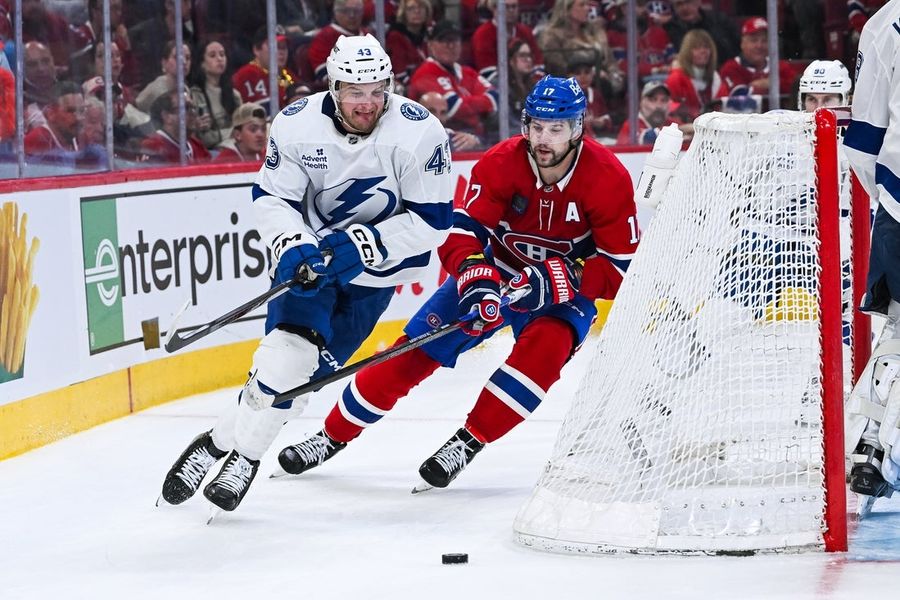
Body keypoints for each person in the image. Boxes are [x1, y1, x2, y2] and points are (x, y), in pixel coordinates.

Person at [274, 76, 639, 491]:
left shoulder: (608, 178)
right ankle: (331, 435)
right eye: (536, 126)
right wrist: (475, 275)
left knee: (543, 353)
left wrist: (564, 277)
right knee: (411, 352)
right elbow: (461, 230)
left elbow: (620, 269)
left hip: (563, 293)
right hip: (498, 270)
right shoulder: (503, 162)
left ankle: (468, 441)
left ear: (577, 128)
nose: (543, 138)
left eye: (556, 129)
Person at [159, 34, 452, 513]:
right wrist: (293, 245)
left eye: (377, 90)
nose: (368, 102)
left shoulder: (419, 132)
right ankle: (245, 460)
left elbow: (433, 221)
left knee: (296, 388)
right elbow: (274, 198)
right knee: (285, 359)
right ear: (333, 87)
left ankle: (214, 442)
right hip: (312, 266)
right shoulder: (296, 125)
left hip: (374, 280)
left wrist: (366, 244)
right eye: (355, 91)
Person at [842, 0, 900, 509]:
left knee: (899, 330)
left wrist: (884, 196)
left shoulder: (886, 23)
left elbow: (863, 143)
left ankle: (870, 449)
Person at [407, 20, 498, 138]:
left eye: (454, 40)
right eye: (443, 40)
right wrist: (483, 105)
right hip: (444, 140)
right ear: (430, 45)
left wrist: (468, 105)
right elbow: (454, 107)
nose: (450, 45)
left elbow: (495, 97)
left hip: (475, 137)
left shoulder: (467, 72)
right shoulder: (425, 73)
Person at [717, 17, 796, 101]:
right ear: (742, 44)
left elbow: (797, 87)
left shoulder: (779, 66)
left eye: (764, 41)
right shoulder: (731, 68)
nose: (759, 46)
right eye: (754, 40)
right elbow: (739, 99)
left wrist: (772, 84)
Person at [472, 0, 544, 81]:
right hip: (498, 87)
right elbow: (488, 73)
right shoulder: (483, 35)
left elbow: (538, 62)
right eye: (506, 7)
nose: (511, 11)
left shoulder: (525, 31)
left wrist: (535, 83)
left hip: (528, 83)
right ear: (494, 9)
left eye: (514, 6)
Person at [189, 39, 242, 149]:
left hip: (234, 149)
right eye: (212, 55)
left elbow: (242, 128)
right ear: (202, 63)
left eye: (222, 55)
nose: (219, 59)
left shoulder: (234, 95)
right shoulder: (194, 95)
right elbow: (204, 138)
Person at [232, 26, 297, 113]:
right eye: (275, 46)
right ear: (256, 50)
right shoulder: (247, 75)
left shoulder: (288, 74)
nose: (281, 51)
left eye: (284, 47)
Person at [665, 29, 721, 122]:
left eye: (706, 47)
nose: (703, 51)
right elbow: (670, 114)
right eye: (697, 48)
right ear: (687, 52)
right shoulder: (675, 79)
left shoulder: (716, 78)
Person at [139, 92, 211, 164]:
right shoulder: (153, 146)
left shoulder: (195, 144)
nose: (193, 112)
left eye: (193, 107)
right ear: (166, 116)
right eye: (186, 108)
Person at [616, 81, 684, 144]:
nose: (659, 106)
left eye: (664, 100)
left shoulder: (672, 123)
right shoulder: (631, 125)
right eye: (653, 99)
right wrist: (681, 131)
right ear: (641, 102)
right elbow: (648, 138)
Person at [385, 0, 432, 88]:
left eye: (421, 8)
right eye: (411, 8)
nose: (417, 11)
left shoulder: (430, 34)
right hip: (406, 87)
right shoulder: (396, 36)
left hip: (428, 82)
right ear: (403, 13)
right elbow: (399, 74)